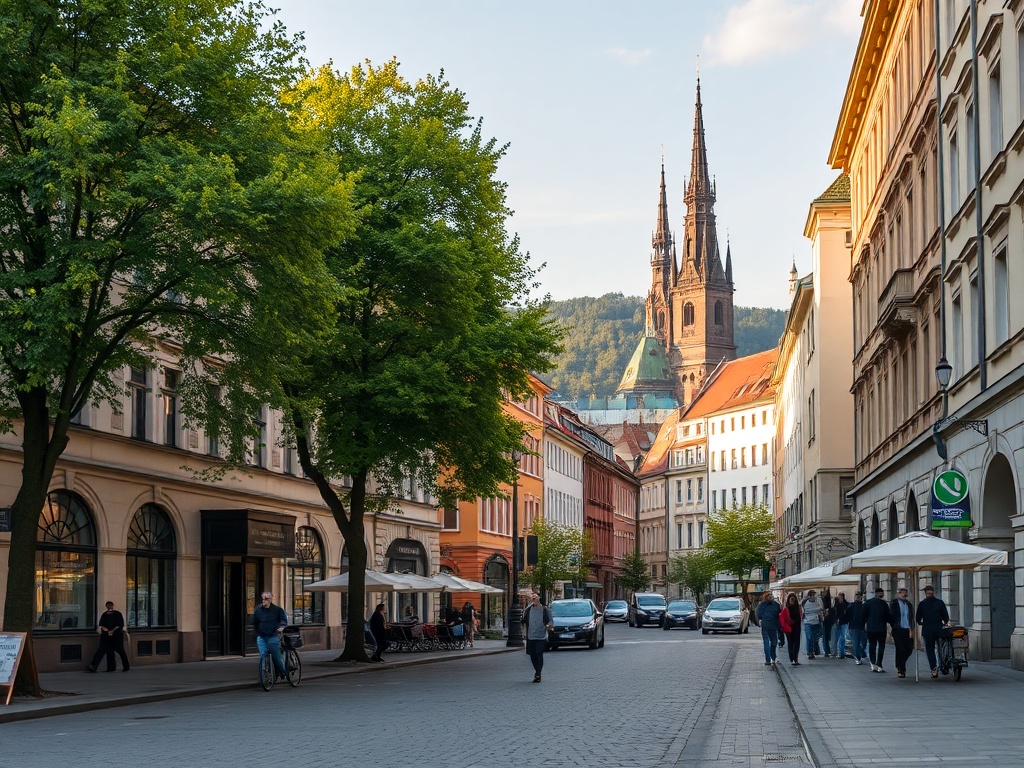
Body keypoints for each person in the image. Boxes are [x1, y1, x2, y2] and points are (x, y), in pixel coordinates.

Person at [917, 584, 950, 678]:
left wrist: (921, 623)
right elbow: (946, 617)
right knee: (941, 648)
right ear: (933, 592)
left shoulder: (922, 604)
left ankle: (934, 669)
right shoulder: (939, 602)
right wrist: (945, 622)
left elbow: (918, 618)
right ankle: (944, 665)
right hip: (939, 629)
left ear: (925, 593)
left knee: (930, 650)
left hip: (927, 629)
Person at [252, 591, 289, 677]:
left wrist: (281, 627)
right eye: (263, 599)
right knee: (263, 655)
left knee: (276, 657)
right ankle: (265, 674)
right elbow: (255, 622)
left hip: (273, 635)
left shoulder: (277, 610)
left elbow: (283, 620)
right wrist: (257, 633)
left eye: (266, 599)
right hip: (262, 636)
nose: (264, 601)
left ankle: (283, 672)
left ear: (271, 599)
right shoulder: (258, 611)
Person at [87, 601, 130, 672]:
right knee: (104, 650)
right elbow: (102, 625)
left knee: (120, 650)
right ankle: (98, 666)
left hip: (117, 635)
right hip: (106, 636)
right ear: (106, 606)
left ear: (113, 606)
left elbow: (120, 624)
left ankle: (126, 666)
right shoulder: (104, 614)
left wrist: (112, 631)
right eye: (108, 605)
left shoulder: (117, 614)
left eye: (111, 605)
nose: (110, 607)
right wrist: (107, 631)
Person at [521, 592, 553, 683]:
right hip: (531, 636)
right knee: (532, 655)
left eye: (536, 596)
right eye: (532, 596)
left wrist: (549, 626)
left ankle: (538, 673)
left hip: (541, 636)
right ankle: (537, 672)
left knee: (539, 653)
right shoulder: (528, 609)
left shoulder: (544, 609)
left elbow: (550, 620)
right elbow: (523, 620)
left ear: (539, 598)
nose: (534, 597)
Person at [864, 587, 892, 673]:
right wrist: (892, 624)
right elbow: (888, 617)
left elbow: (863, 616)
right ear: (881, 594)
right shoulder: (884, 604)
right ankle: (879, 664)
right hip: (881, 628)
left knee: (872, 645)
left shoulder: (868, 603)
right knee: (881, 646)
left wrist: (864, 625)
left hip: (871, 628)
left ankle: (872, 663)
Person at [889, 586, 915, 678]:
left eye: (905, 592)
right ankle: (901, 669)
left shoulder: (909, 604)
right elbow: (891, 616)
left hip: (907, 629)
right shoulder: (894, 603)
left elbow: (911, 617)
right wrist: (891, 627)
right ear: (898, 594)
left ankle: (900, 664)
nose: (904, 594)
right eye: (901, 592)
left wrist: (911, 629)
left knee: (909, 649)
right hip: (897, 629)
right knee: (900, 649)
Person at [756, 591, 782, 667]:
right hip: (766, 625)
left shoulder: (776, 605)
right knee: (766, 642)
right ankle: (768, 659)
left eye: (771, 595)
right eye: (768, 595)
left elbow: (779, 614)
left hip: (774, 626)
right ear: (765, 597)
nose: (770, 596)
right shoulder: (762, 605)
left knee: (774, 642)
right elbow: (759, 614)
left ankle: (773, 657)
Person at [847, 591, 868, 665]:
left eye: (859, 595)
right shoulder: (851, 605)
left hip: (862, 626)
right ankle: (857, 657)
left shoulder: (864, 605)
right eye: (856, 595)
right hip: (853, 626)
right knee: (856, 642)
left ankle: (861, 652)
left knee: (864, 642)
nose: (858, 596)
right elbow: (847, 614)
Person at [782, 592, 802, 666]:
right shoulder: (786, 608)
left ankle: (795, 659)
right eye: (791, 598)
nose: (792, 599)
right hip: (789, 628)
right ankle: (792, 659)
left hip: (797, 627)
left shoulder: (798, 607)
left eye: (793, 598)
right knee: (790, 643)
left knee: (796, 643)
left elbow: (800, 617)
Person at [801, 590, 822, 659]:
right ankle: (810, 652)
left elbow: (821, 609)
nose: (814, 597)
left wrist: (818, 610)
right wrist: (817, 610)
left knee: (814, 638)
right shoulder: (806, 603)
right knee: (809, 638)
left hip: (816, 622)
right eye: (812, 595)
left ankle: (814, 650)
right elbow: (807, 610)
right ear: (809, 596)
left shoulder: (818, 602)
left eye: (814, 595)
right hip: (808, 623)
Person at [834, 592, 850, 659]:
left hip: (843, 622)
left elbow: (847, 613)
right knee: (839, 638)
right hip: (838, 622)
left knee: (842, 638)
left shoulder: (846, 604)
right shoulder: (836, 604)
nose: (839, 598)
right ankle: (839, 652)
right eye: (838, 597)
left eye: (840, 596)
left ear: (842, 597)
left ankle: (842, 653)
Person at [821, 590, 836, 657]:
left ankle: (826, 651)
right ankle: (832, 651)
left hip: (825, 624)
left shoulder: (823, 609)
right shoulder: (832, 609)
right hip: (831, 624)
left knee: (825, 638)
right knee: (832, 638)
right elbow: (834, 616)